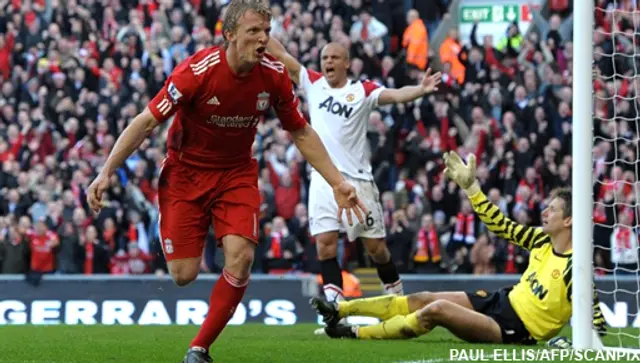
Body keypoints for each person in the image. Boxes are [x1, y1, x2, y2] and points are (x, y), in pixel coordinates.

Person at [86, 1, 367, 362]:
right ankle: (170, 219)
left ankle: (199, 349)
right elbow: (146, 121)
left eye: (266, 31)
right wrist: (107, 170)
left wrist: (337, 182)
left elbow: (300, 131)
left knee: (241, 257)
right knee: (183, 274)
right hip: (185, 174)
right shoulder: (196, 72)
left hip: (236, 174)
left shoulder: (274, 75)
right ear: (230, 34)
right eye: (254, 31)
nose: (263, 39)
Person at [311, 151, 606, 345]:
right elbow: (500, 225)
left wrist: (578, 342)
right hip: (500, 301)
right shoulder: (540, 239)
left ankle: (354, 331)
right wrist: (471, 188)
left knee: (436, 310)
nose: (544, 213)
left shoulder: (575, 269)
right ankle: (340, 309)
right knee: (423, 298)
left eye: (552, 210)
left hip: (517, 330)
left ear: (569, 220)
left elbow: (597, 322)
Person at [265, 38, 441, 307]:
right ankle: (334, 308)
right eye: (325, 58)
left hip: (357, 180)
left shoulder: (362, 91)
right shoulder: (313, 83)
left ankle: (396, 296)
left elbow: (394, 94)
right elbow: (283, 55)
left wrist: (420, 89)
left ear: (347, 63)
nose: (328, 63)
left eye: (334, 58)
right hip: (323, 179)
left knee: (375, 249)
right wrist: (261, 33)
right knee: (324, 243)